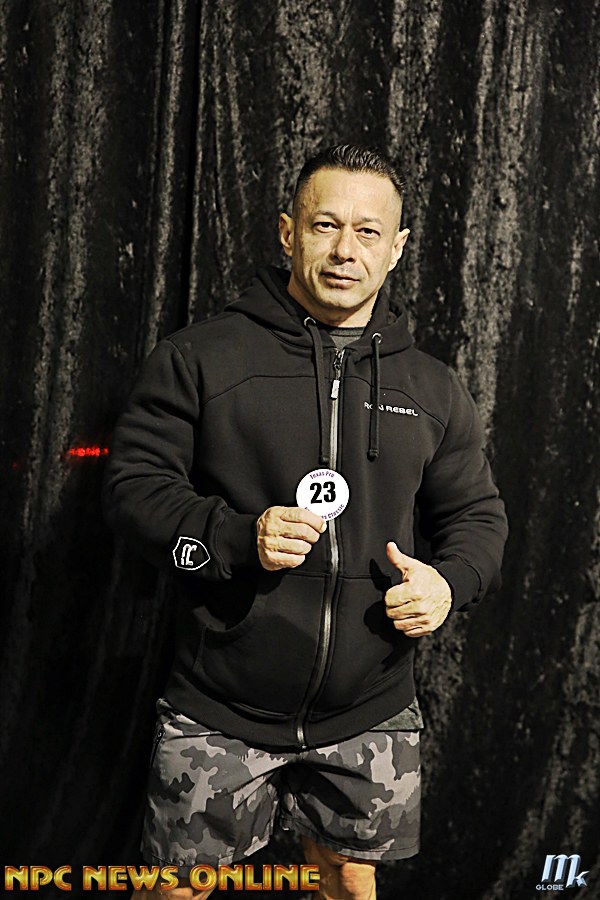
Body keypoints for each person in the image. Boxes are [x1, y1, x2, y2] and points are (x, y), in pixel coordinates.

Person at [103, 144, 508, 900]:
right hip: (219, 704)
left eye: (367, 231)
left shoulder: (431, 387)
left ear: (398, 247)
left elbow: (478, 516)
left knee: (349, 879)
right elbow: (132, 493)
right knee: (177, 888)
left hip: (370, 710)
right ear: (289, 232)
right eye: (326, 225)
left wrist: (449, 585)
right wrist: (234, 537)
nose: (345, 250)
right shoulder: (200, 357)